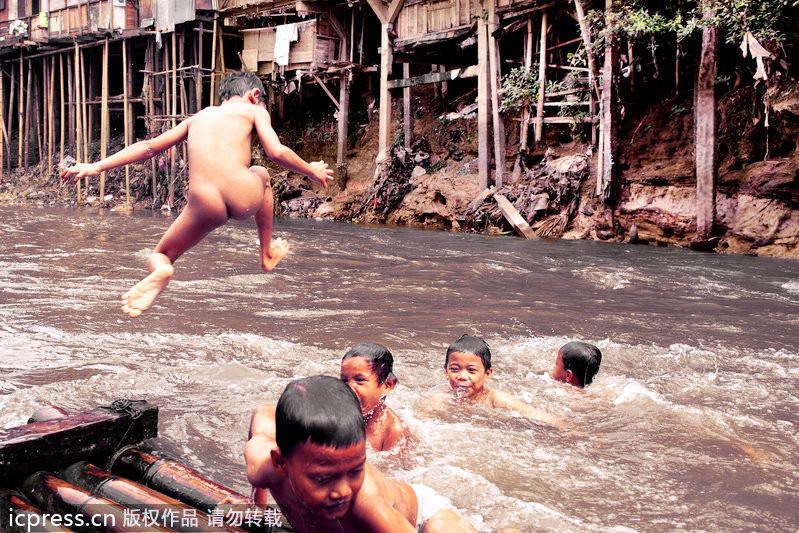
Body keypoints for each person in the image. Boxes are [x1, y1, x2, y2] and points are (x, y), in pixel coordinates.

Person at [60, 71, 334, 318]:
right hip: (243, 194)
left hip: (202, 203)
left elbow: (147, 148)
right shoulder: (254, 112)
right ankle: (265, 254)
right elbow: (275, 152)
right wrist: (311, 170)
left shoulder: (196, 119)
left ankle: (161, 273)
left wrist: (96, 166)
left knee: (161, 255)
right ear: (254, 95)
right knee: (261, 174)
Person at [244, 375, 476, 533]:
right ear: (280, 463)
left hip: (424, 518)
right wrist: (257, 506)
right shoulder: (261, 464)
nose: (343, 491)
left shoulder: (364, 500)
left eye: (356, 470)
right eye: (323, 478)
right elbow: (263, 412)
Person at [442, 334, 563, 427]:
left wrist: (570, 429)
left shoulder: (496, 400)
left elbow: (538, 416)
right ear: (446, 372)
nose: (462, 376)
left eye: (471, 370)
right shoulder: (443, 395)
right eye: (454, 369)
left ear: (487, 375)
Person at [340, 342, 411, 452]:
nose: (349, 387)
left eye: (360, 380)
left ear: (388, 385)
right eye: (344, 381)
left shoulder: (393, 431)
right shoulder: (337, 416)